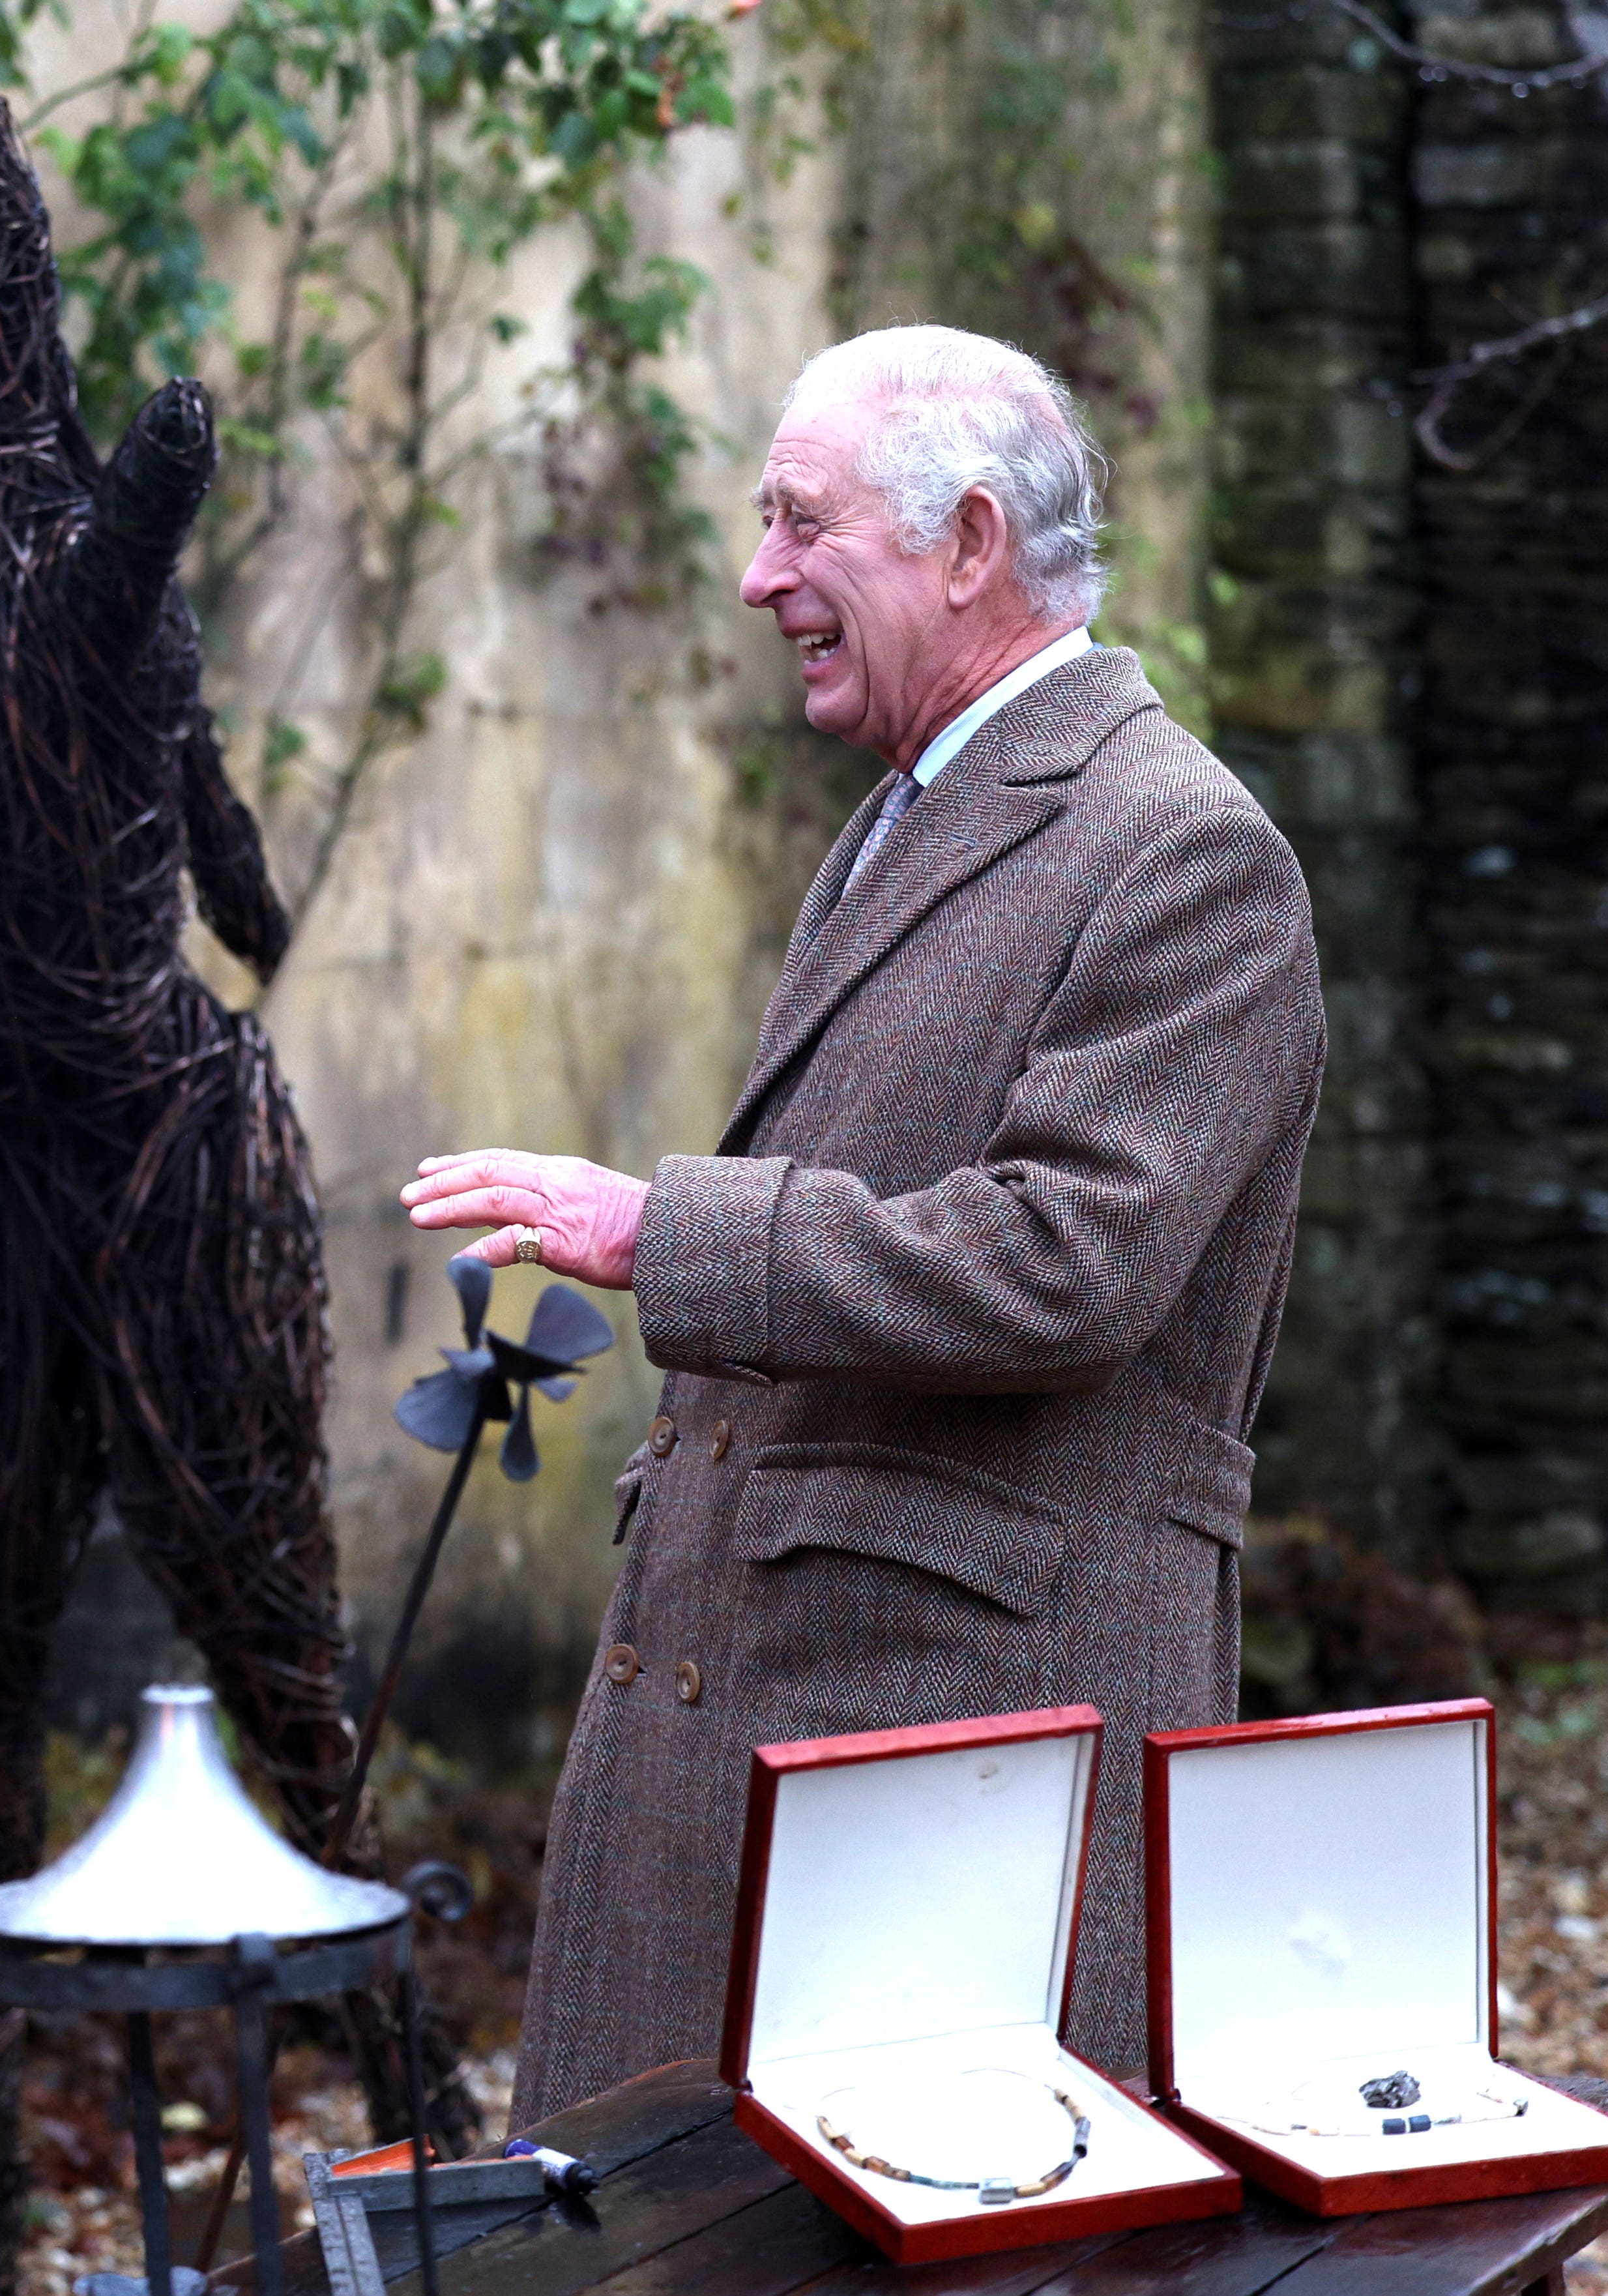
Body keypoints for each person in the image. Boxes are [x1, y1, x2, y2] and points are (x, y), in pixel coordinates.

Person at [403, 325, 1324, 2118]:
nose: (758, 577)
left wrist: (664, 1234)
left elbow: (1068, 1265)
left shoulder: (1181, 848)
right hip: (817, 1725)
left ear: (966, 543)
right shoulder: (920, 808)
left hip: (957, 1755)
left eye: (798, 523)